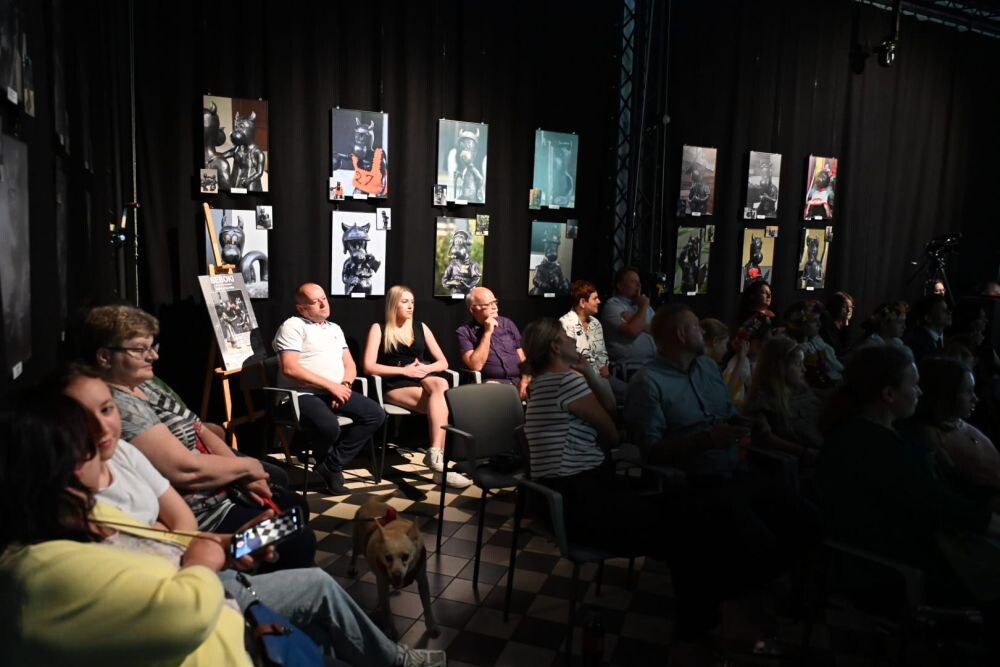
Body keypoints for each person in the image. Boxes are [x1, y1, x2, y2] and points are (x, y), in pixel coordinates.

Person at [52, 365, 447, 667]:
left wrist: (225, 544)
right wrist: (206, 557)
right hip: (194, 593)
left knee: (302, 549)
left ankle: (364, 653)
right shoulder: (67, 519)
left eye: (108, 409)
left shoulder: (124, 454)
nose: (102, 427)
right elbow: (172, 601)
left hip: (204, 569)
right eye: (83, 417)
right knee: (311, 575)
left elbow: (178, 524)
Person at [0, 394, 253, 666]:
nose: (100, 436)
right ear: (73, 465)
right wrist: (203, 562)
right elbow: (184, 618)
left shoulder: (83, 512)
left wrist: (217, 545)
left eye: (107, 409)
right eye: (87, 440)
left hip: (234, 624)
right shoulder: (38, 571)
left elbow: (159, 541)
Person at [81, 304, 315, 568]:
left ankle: (291, 579)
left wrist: (245, 476)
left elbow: (199, 428)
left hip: (222, 490)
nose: (153, 356)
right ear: (104, 356)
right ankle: (264, 586)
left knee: (293, 505)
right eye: (139, 349)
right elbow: (185, 469)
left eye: (152, 346)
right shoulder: (118, 405)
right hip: (209, 514)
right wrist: (247, 467)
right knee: (298, 538)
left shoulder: (146, 384)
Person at [818, 346, 1000, 634]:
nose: (920, 392)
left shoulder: (890, 433)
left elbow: (940, 490)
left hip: (913, 549)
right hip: (894, 566)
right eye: (914, 385)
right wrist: (988, 521)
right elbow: (933, 501)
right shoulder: (870, 446)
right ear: (889, 394)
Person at [274, 283, 386, 495]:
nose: (323, 304)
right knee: (329, 426)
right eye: (315, 302)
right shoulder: (292, 326)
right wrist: (330, 386)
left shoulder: (334, 328)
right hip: (301, 395)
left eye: (324, 298)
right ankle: (328, 465)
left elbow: (350, 365)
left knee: (375, 415)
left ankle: (331, 465)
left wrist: (343, 386)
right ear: (301, 308)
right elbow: (290, 368)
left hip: (333, 390)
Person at [363, 285, 470, 488]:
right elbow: (369, 366)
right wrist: (404, 371)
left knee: (441, 383)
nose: (410, 306)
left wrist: (424, 368)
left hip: (421, 376)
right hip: (395, 382)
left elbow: (443, 362)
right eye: (405, 302)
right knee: (444, 407)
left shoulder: (421, 327)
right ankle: (440, 467)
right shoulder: (379, 328)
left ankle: (434, 454)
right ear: (393, 304)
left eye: (412, 302)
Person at [904, 356, 1000, 494]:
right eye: (967, 391)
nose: (975, 398)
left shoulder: (958, 422)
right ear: (945, 394)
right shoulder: (931, 439)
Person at [743, 336, 823, 460]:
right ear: (780, 367)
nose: (804, 369)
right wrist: (805, 452)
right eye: (797, 364)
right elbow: (764, 437)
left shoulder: (801, 389)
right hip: (801, 459)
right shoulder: (761, 399)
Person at [456, 286, 530, 398]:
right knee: (493, 390)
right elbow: (476, 365)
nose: (495, 307)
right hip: (493, 383)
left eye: (495, 302)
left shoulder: (507, 324)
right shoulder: (464, 332)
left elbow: (522, 356)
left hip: (519, 380)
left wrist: (525, 379)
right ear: (473, 309)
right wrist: (487, 332)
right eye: (488, 304)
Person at [559, 280, 624, 400]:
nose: (599, 301)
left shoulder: (595, 323)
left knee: (631, 392)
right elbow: (567, 360)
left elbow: (601, 353)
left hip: (601, 378)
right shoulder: (565, 324)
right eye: (595, 298)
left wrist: (603, 368)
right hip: (578, 381)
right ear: (583, 302)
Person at [600, 266, 656, 378]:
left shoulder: (646, 307)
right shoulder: (613, 306)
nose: (638, 285)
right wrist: (643, 307)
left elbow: (659, 332)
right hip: (629, 369)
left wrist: (636, 319)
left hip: (652, 366)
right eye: (633, 281)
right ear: (620, 286)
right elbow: (632, 331)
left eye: (639, 282)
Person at [904, 294, 952, 362]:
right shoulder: (916, 343)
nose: (949, 312)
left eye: (947, 309)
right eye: (943, 310)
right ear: (928, 318)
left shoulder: (950, 342)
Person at [821, 291, 855, 358]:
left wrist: (846, 322)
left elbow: (846, 346)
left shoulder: (843, 324)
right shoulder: (827, 322)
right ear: (836, 306)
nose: (849, 310)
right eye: (844, 307)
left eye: (851, 307)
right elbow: (838, 350)